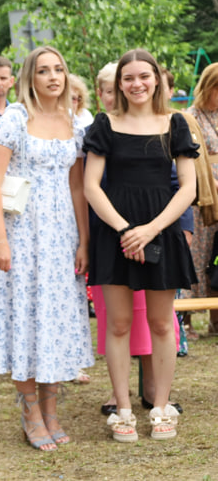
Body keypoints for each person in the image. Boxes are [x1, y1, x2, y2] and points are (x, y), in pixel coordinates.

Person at [83, 48, 198, 442]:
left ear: (157, 80)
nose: (137, 84)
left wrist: (149, 230)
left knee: (163, 323)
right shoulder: (105, 124)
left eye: (144, 76)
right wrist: (123, 229)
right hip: (114, 234)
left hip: (160, 231)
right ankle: (123, 409)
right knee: (117, 324)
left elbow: (188, 189)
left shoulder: (175, 124)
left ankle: (162, 407)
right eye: (128, 78)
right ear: (119, 84)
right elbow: (90, 185)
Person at [0, 45, 93, 451]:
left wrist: (84, 240)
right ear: (30, 77)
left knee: (55, 319)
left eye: (59, 69)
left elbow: (78, 185)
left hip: (61, 234)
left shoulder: (74, 122)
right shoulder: (15, 118)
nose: (53, 76)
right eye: (44, 70)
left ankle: (51, 410)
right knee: (26, 318)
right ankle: (30, 412)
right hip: (22, 233)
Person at [184, 62, 218, 338]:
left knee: (216, 258)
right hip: (202, 193)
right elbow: (192, 159)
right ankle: (184, 318)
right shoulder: (190, 116)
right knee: (196, 255)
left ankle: (215, 320)